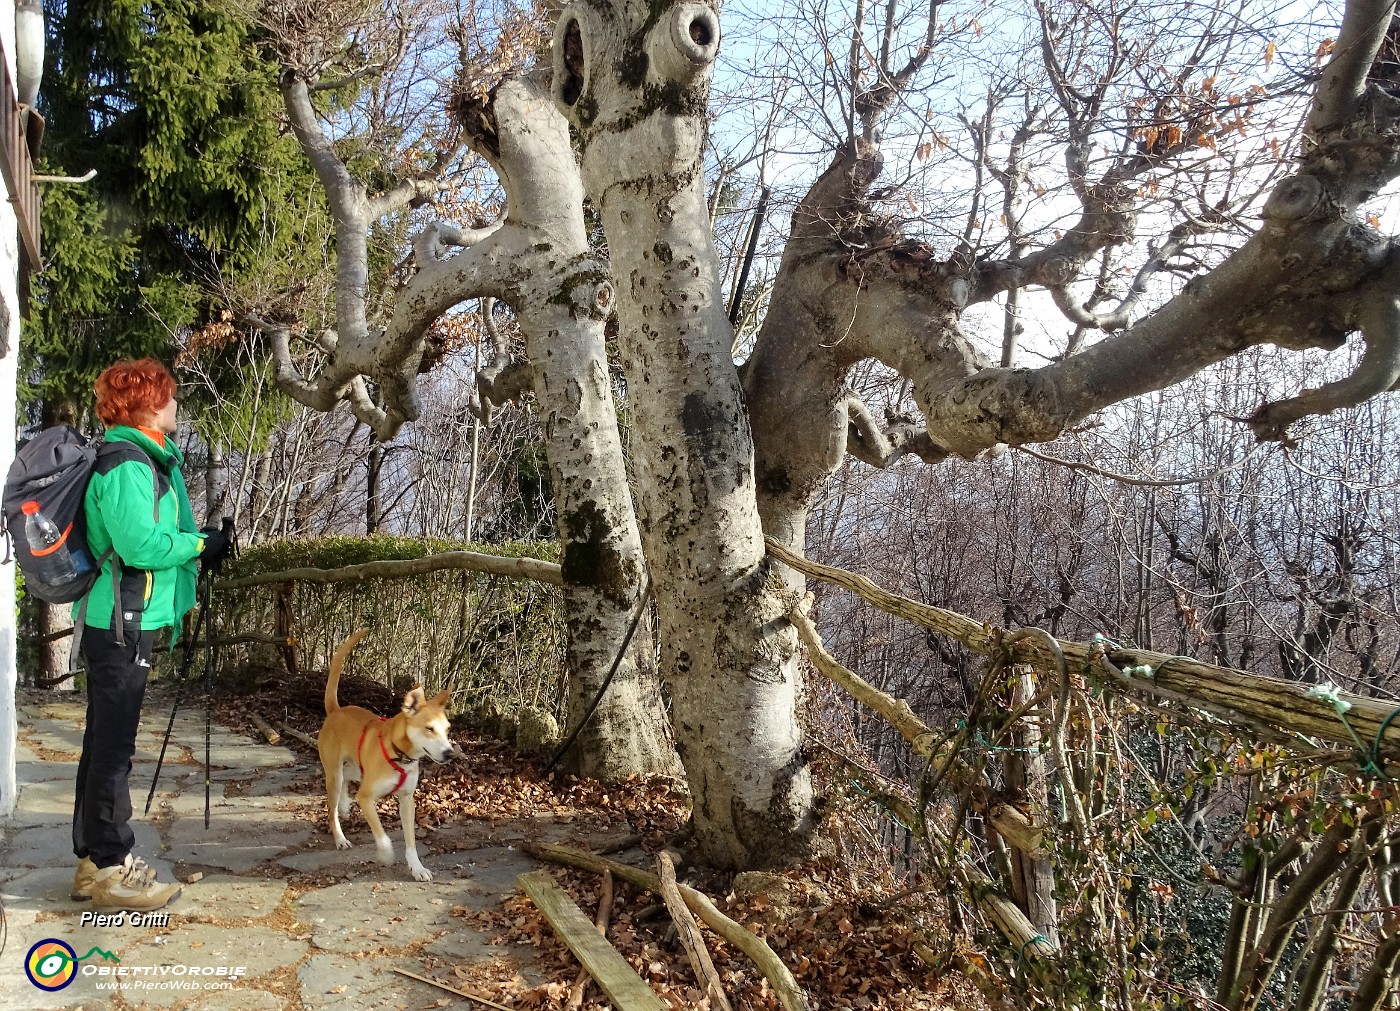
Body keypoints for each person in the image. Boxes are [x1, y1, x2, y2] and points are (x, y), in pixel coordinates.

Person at [68, 358, 233, 911]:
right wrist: (198, 546)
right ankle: (114, 868)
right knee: (113, 751)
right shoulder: (128, 464)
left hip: (121, 620)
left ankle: (93, 861)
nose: (175, 402)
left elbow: (153, 534)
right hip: (121, 623)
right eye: (168, 394)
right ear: (145, 404)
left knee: (101, 744)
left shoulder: (143, 460)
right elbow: (140, 546)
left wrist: (198, 538)